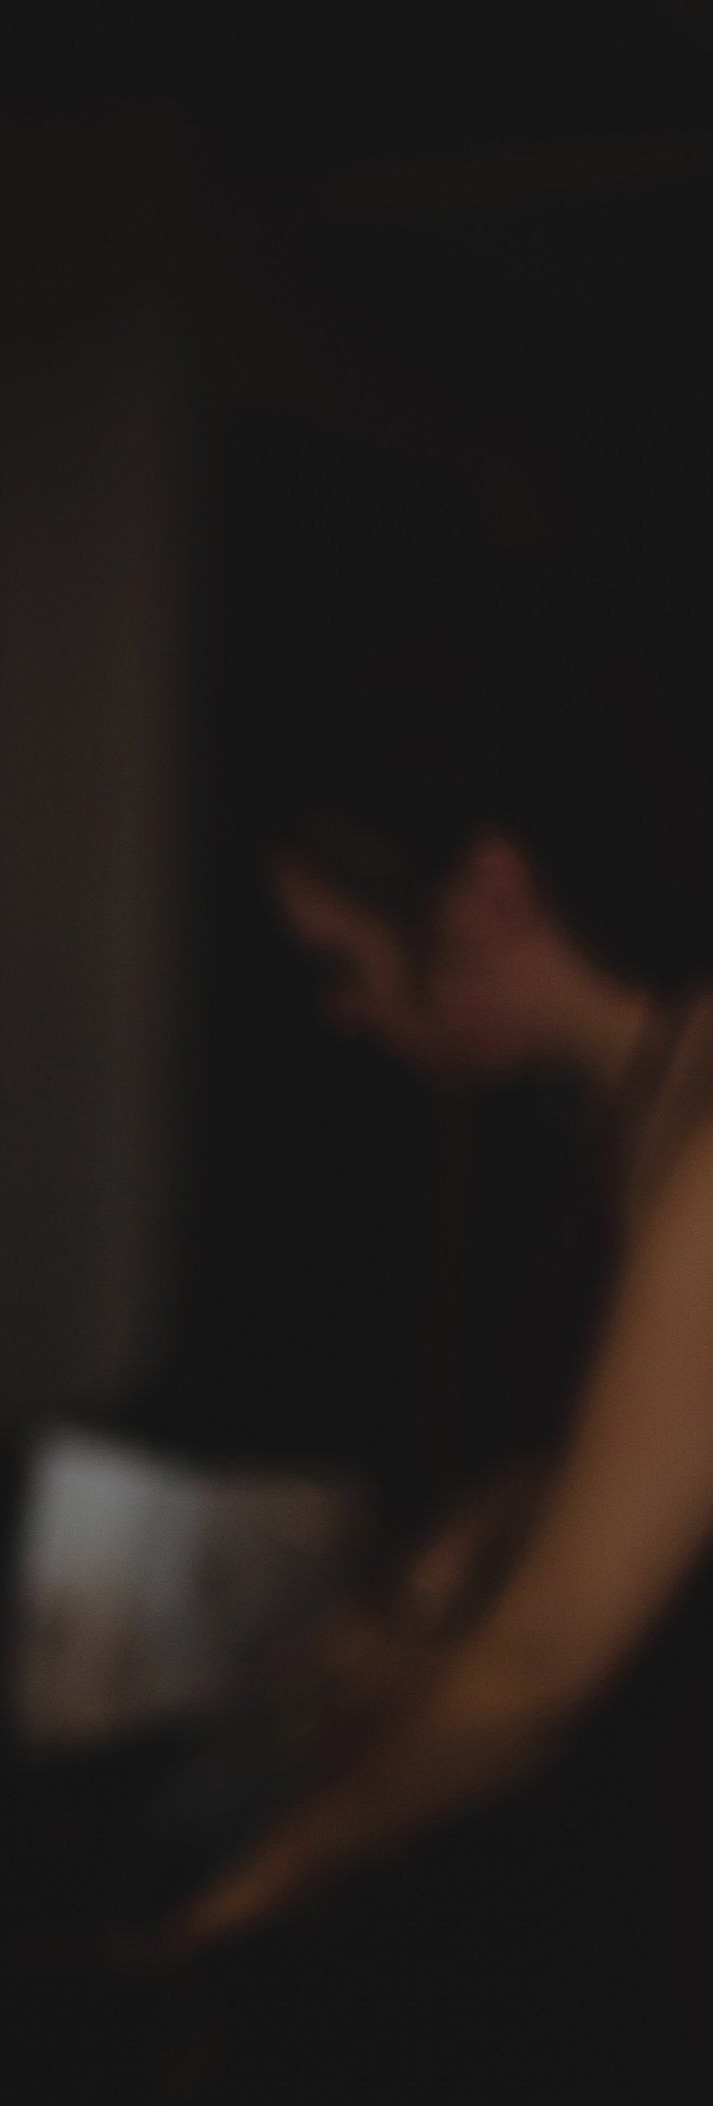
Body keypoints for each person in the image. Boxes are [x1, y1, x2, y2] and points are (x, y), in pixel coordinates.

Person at [178, 690, 713, 1948]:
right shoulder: (626, 1114)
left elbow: (546, 1661)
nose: (343, 1014)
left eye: (341, 963)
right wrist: (448, 1573)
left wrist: (269, 1874)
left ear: (487, 891)